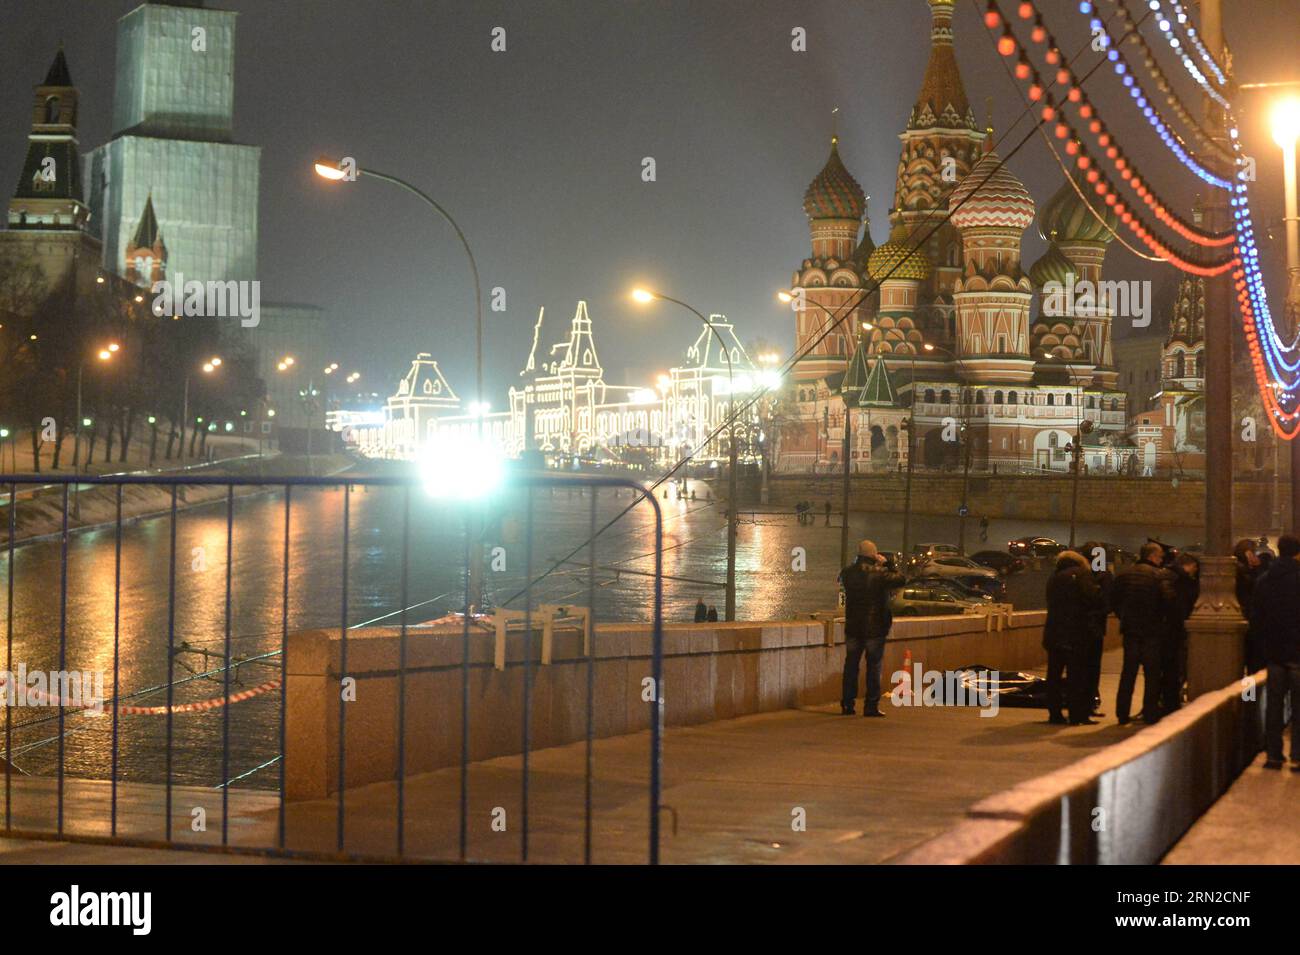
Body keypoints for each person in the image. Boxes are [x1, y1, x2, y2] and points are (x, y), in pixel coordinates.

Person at [1110, 541, 1176, 725]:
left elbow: (1113, 599)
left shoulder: (1124, 574)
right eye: (1161, 556)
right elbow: (1168, 600)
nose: (1162, 559)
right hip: (1152, 631)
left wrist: (1123, 616)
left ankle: (1122, 713)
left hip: (1130, 630)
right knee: (1152, 675)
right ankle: (1150, 713)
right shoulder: (1158, 575)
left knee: (1128, 674)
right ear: (1153, 556)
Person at [839, 539, 906, 717]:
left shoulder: (847, 573)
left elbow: (843, 580)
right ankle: (871, 705)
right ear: (873, 555)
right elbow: (901, 579)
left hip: (853, 627)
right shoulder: (881, 573)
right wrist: (888, 563)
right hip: (876, 628)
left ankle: (847, 704)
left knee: (851, 666)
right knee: (874, 666)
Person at [1251, 534, 1300, 769]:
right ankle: (1298, 756)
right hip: (1298, 653)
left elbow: (1257, 618)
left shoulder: (1264, 580)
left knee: (1274, 705)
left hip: (1274, 652)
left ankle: (1273, 754)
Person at [1043, 551, 1104, 724]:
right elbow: (1092, 599)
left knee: (1053, 676)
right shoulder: (1082, 574)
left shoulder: (1054, 578)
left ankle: (1054, 714)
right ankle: (1077, 715)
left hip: (1053, 632)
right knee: (1076, 676)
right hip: (1076, 633)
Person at [1162, 552, 1199, 715]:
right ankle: (1171, 702)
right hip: (1177, 630)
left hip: (1164, 629)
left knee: (1168, 668)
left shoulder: (1164, 575)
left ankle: (1165, 702)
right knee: (1178, 667)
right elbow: (1181, 605)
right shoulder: (1182, 581)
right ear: (1189, 565)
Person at [1081, 541, 1113, 717]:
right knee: (1092, 667)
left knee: (1078, 667)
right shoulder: (1104, 576)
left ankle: (1079, 703)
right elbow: (1107, 604)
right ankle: (1090, 702)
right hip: (1095, 629)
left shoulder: (1078, 574)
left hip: (1077, 628)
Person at [1235, 538, 1265, 672]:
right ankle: (1250, 693)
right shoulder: (1242, 569)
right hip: (1245, 615)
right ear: (1248, 553)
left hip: (1243, 614)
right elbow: (1254, 587)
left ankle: (1249, 693)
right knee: (1251, 659)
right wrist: (1256, 568)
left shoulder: (1239, 567)